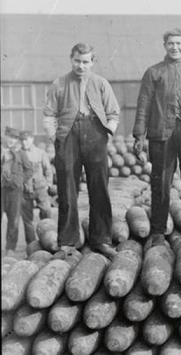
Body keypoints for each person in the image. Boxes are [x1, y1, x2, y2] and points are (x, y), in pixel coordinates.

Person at [43, 43, 120, 258]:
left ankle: (102, 239)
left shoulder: (101, 83)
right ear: (71, 59)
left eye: (86, 62)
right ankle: (68, 241)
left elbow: (113, 112)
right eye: (77, 61)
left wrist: (106, 133)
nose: (81, 66)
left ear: (92, 62)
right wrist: (55, 137)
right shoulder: (59, 84)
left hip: (95, 134)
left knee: (99, 188)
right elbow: (49, 114)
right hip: (67, 136)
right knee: (67, 189)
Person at [133, 28, 181, 246]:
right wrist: (139, 135)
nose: (175, 47)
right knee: (160, 182)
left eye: (179, 44)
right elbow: (143, 105)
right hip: (161, 134)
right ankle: (157, 230)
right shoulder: (153, 72)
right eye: (170, 44)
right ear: (164, 45)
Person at [19, 130, 53, 244]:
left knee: (47, 212)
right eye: (22, 140)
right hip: (25, 190)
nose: (24, 142)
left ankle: (48, 240)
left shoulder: (40, 153)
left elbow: (48, 170)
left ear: (32, 139)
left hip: (40, 188)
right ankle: (32, 244)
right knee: (27, 220)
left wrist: (48, 184)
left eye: (26, 139)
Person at [2, 127, 32, 255]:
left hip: (15, 191)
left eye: (15, 138)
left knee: (13, 219)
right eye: (10, 137)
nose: (12, 140)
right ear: (5, 136)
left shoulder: (21, 153)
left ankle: (10, 248)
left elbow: (29, 170)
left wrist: (20, 180)